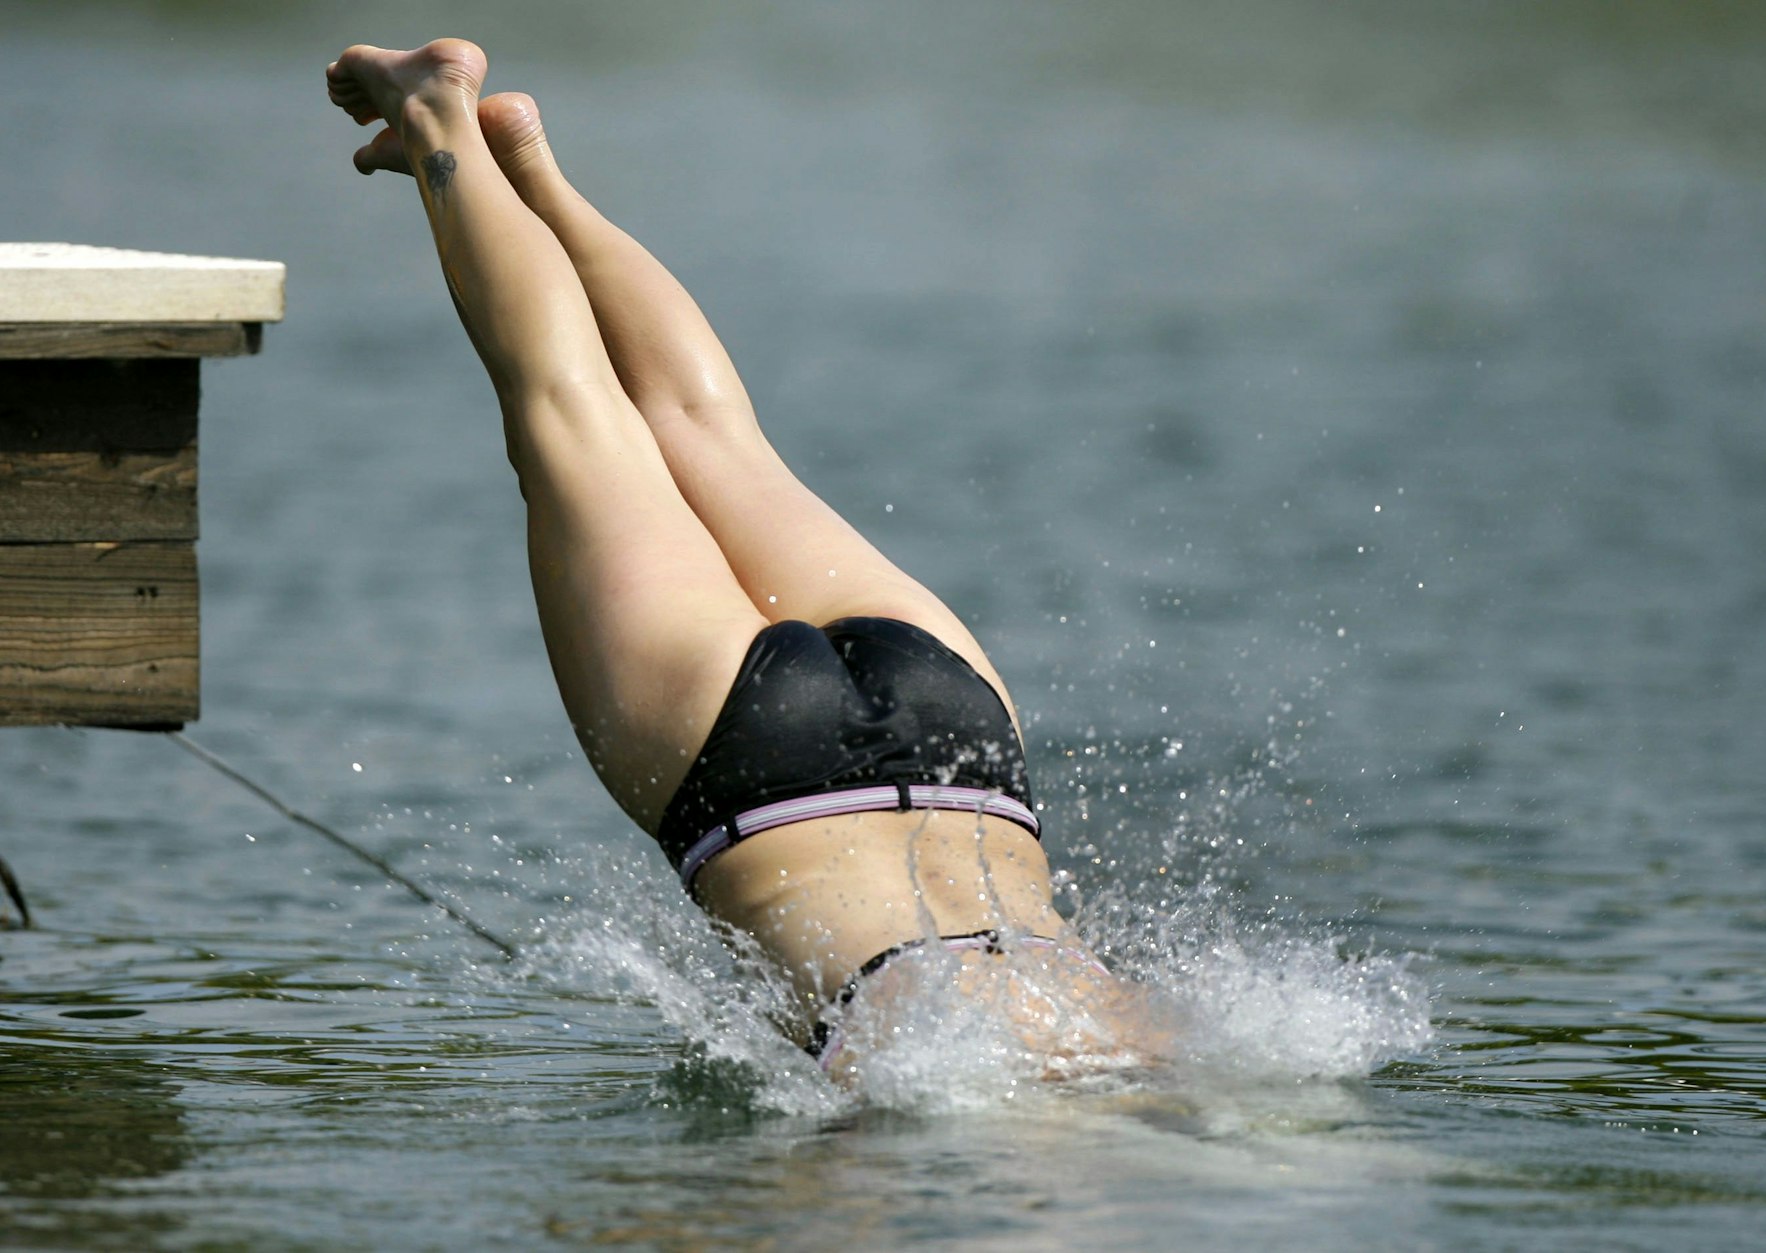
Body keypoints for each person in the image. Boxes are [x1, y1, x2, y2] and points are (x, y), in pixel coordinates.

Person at [327, 40, 1162, 1076]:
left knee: (710, 430)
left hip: (961, 743)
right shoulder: (951, 1086)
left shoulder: (1148, 1066)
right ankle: (438, 115)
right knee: (565, 407)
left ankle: (526, 169)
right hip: (761, 782)